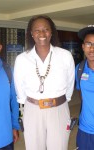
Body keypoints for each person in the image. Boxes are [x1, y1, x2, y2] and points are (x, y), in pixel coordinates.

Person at [14, 15, 75, 150]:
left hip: (59, 108)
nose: (42, 33)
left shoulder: (65, 56)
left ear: (51, 32)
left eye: (46, 29)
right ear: (31, 33)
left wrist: (61, 100)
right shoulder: (22, 59)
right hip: (32, 109)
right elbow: (20, 88)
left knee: (59, 147)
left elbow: (70, 84)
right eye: (37, 30)